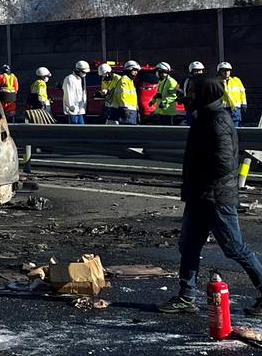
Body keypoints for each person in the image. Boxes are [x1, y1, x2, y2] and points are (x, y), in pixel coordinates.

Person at [158, 76, 262, 316]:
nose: (188, 96)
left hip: (215, 197)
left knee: (234, 247)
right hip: (200, 196)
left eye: (193, 91)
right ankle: (186, 296)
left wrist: (204, 186)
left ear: (205, 93)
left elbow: (224, 163)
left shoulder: (217, 120)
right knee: (189, 245)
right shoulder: (203, 117)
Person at [106, 61, 141, 125]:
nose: (136, 72)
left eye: (137, 71)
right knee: (127, 129)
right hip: (126, 110)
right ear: (129, 70)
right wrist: (124, 108)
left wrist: (136, 108)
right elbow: (121, 95)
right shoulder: (124, 80)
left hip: (130, 110)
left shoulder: (130, 81)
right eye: (134, 70)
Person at [219, 62, 247, 127]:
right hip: (222, 109)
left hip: (235, 109)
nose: (226, 72)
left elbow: (242, 93)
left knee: (235, 129)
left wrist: (244, 104)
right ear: (220, 72)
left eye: (228, 70)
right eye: (224, 70)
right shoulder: (216, 82)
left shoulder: (236, 80)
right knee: (224, 129)